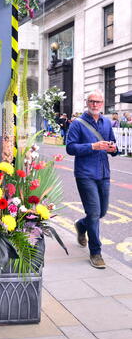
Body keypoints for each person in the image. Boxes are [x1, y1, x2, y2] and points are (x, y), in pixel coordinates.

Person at [66, 89, 118, 269]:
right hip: (85, 174)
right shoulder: (77, 124)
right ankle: (96, 252)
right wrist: (92, 146)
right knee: (94, 213)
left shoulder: (106, 123)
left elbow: (112, 144)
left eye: (97, 102)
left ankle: (81, 225)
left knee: (101, 212)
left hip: (104, 173)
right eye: (91, 101)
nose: (94, 104)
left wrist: (113, 149)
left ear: (102, 104)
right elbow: (70, 148)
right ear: (87, 103)